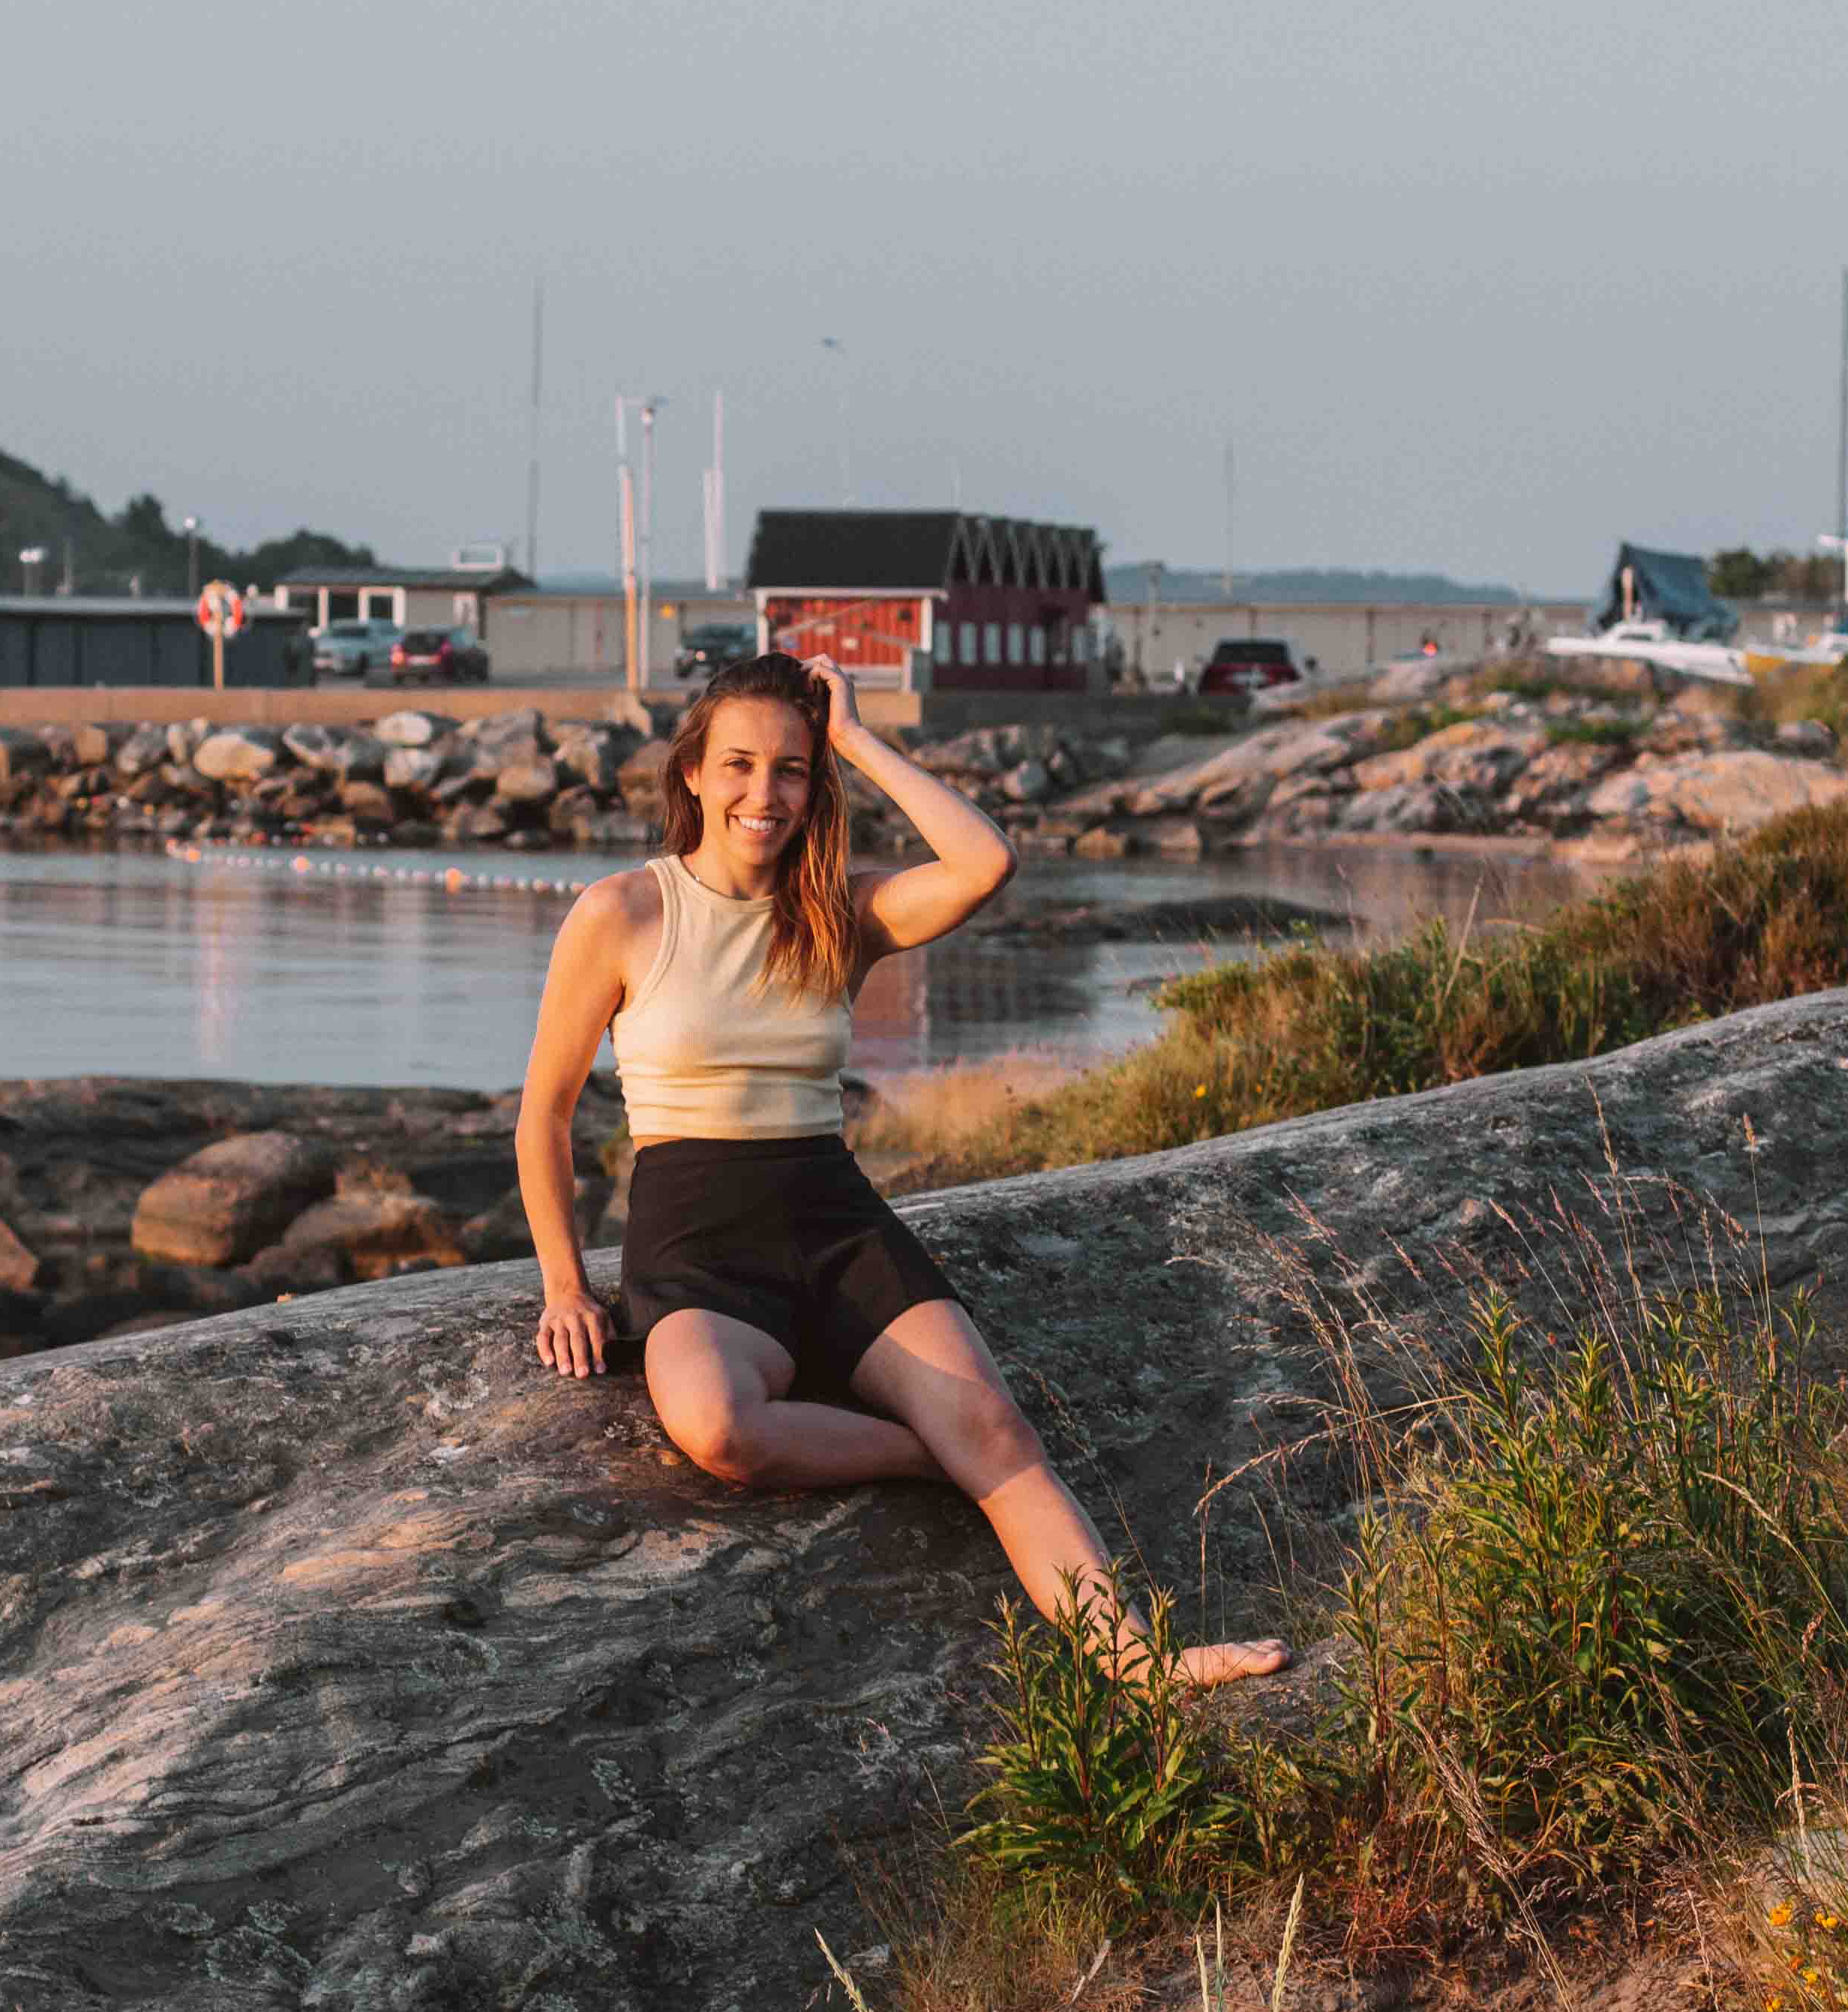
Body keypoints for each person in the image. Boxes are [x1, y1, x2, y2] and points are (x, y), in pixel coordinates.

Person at [513, 649, 1284, 1689]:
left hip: (834, 1221)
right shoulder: (623, 914)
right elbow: (545, 1117)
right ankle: (931, 1456)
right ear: (692, 772)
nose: (763, 794)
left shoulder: (842, 909)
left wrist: (860, 739)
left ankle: (1135, 1664)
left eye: (792, 770)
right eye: (738, 765)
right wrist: (565, 1285)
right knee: (717, 1426)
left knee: (1000, 1427)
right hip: (697, 1241)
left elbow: (985, 864)